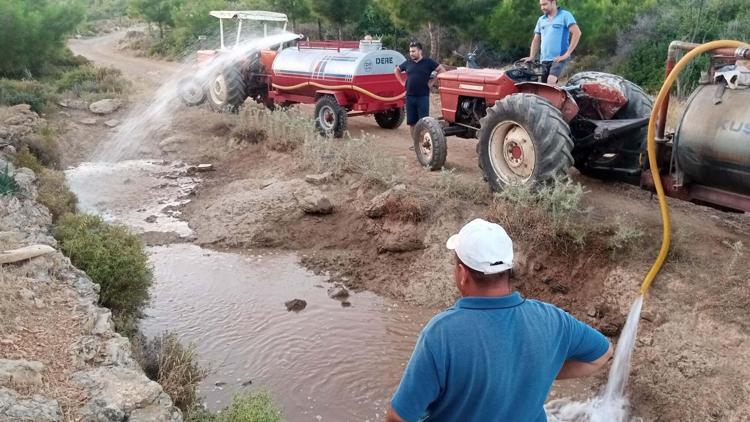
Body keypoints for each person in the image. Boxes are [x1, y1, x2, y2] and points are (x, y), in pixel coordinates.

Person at [386, 218, 613, 422]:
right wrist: (541, 370)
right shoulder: (553, 320)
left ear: (463, 274)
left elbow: (398, 417)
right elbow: (602, 355)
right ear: (508, 270)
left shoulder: (441, 335)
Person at [521, 0, 582, 85]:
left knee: (551, 81)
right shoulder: (541, 20)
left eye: (545, 4)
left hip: (558, 58)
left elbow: (577, 33)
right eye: (541, 5)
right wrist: (532, 56)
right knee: (543, 86)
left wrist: (567, 53)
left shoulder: (565, 15)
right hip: (544, 59)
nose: (542, 7)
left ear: (553, 2)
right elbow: (536, 40)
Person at [394, 42, 446, 139]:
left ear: (420, 51)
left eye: (414, 51)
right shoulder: (408, 63)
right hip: (409, 97)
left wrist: (432, 82)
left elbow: (442, 70)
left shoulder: (428, 62)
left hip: (423, 97)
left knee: (424, 122)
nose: (411, 53)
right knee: (412, 122)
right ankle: (415, 143)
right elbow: (396, 70)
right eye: (410, 51)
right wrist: (402, 82)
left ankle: (423, 144)